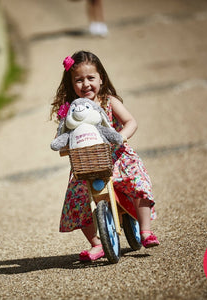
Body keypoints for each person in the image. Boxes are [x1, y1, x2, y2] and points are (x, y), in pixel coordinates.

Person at [50, 51, 160, 261]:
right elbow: (62, 134)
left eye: (91, 78)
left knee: (138, 181)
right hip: (87, 162)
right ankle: (97, 243)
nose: (86, 84)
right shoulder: (71, 111)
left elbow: (131, 122)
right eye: (79, 80)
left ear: (101, 78)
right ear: (71, 83)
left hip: (118, 157)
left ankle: (145, 231)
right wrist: (65, 146)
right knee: (76, 198)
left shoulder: (109, 101)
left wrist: (120, 137)